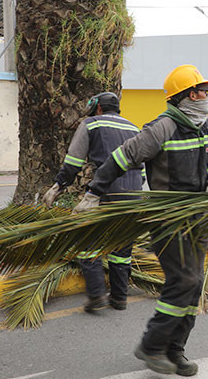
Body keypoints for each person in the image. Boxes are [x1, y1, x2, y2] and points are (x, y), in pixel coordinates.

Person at [73, 64, 208, 376]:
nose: (205, 97)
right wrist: (94, 192)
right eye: (200, 91)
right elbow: (120, 158)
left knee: (193, 287)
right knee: (184, 281)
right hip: (168, 221)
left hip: (199, 219)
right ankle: (152, 345)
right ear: (185, 96)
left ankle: (175, 350)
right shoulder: (161, 129)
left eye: (205, 92)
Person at [42, 92, 143, 313]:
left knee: (87, 241)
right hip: (134, 194)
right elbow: (142, 168)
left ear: (98, 108)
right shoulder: (134, 128)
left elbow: (73, 161)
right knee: (121, 247)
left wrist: (58, 186)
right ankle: (119, 298)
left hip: (105, 191)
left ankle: (96, 294)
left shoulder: (91, 124)